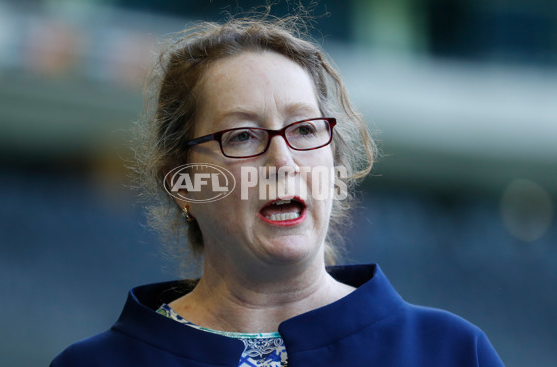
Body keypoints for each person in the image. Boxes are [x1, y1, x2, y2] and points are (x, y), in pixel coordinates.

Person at [51, 13, 504, 367]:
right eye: (243, 136)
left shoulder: (453, 353)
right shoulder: (95, 366)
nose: (283, 161)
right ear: (184, 184)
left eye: (305, 130)